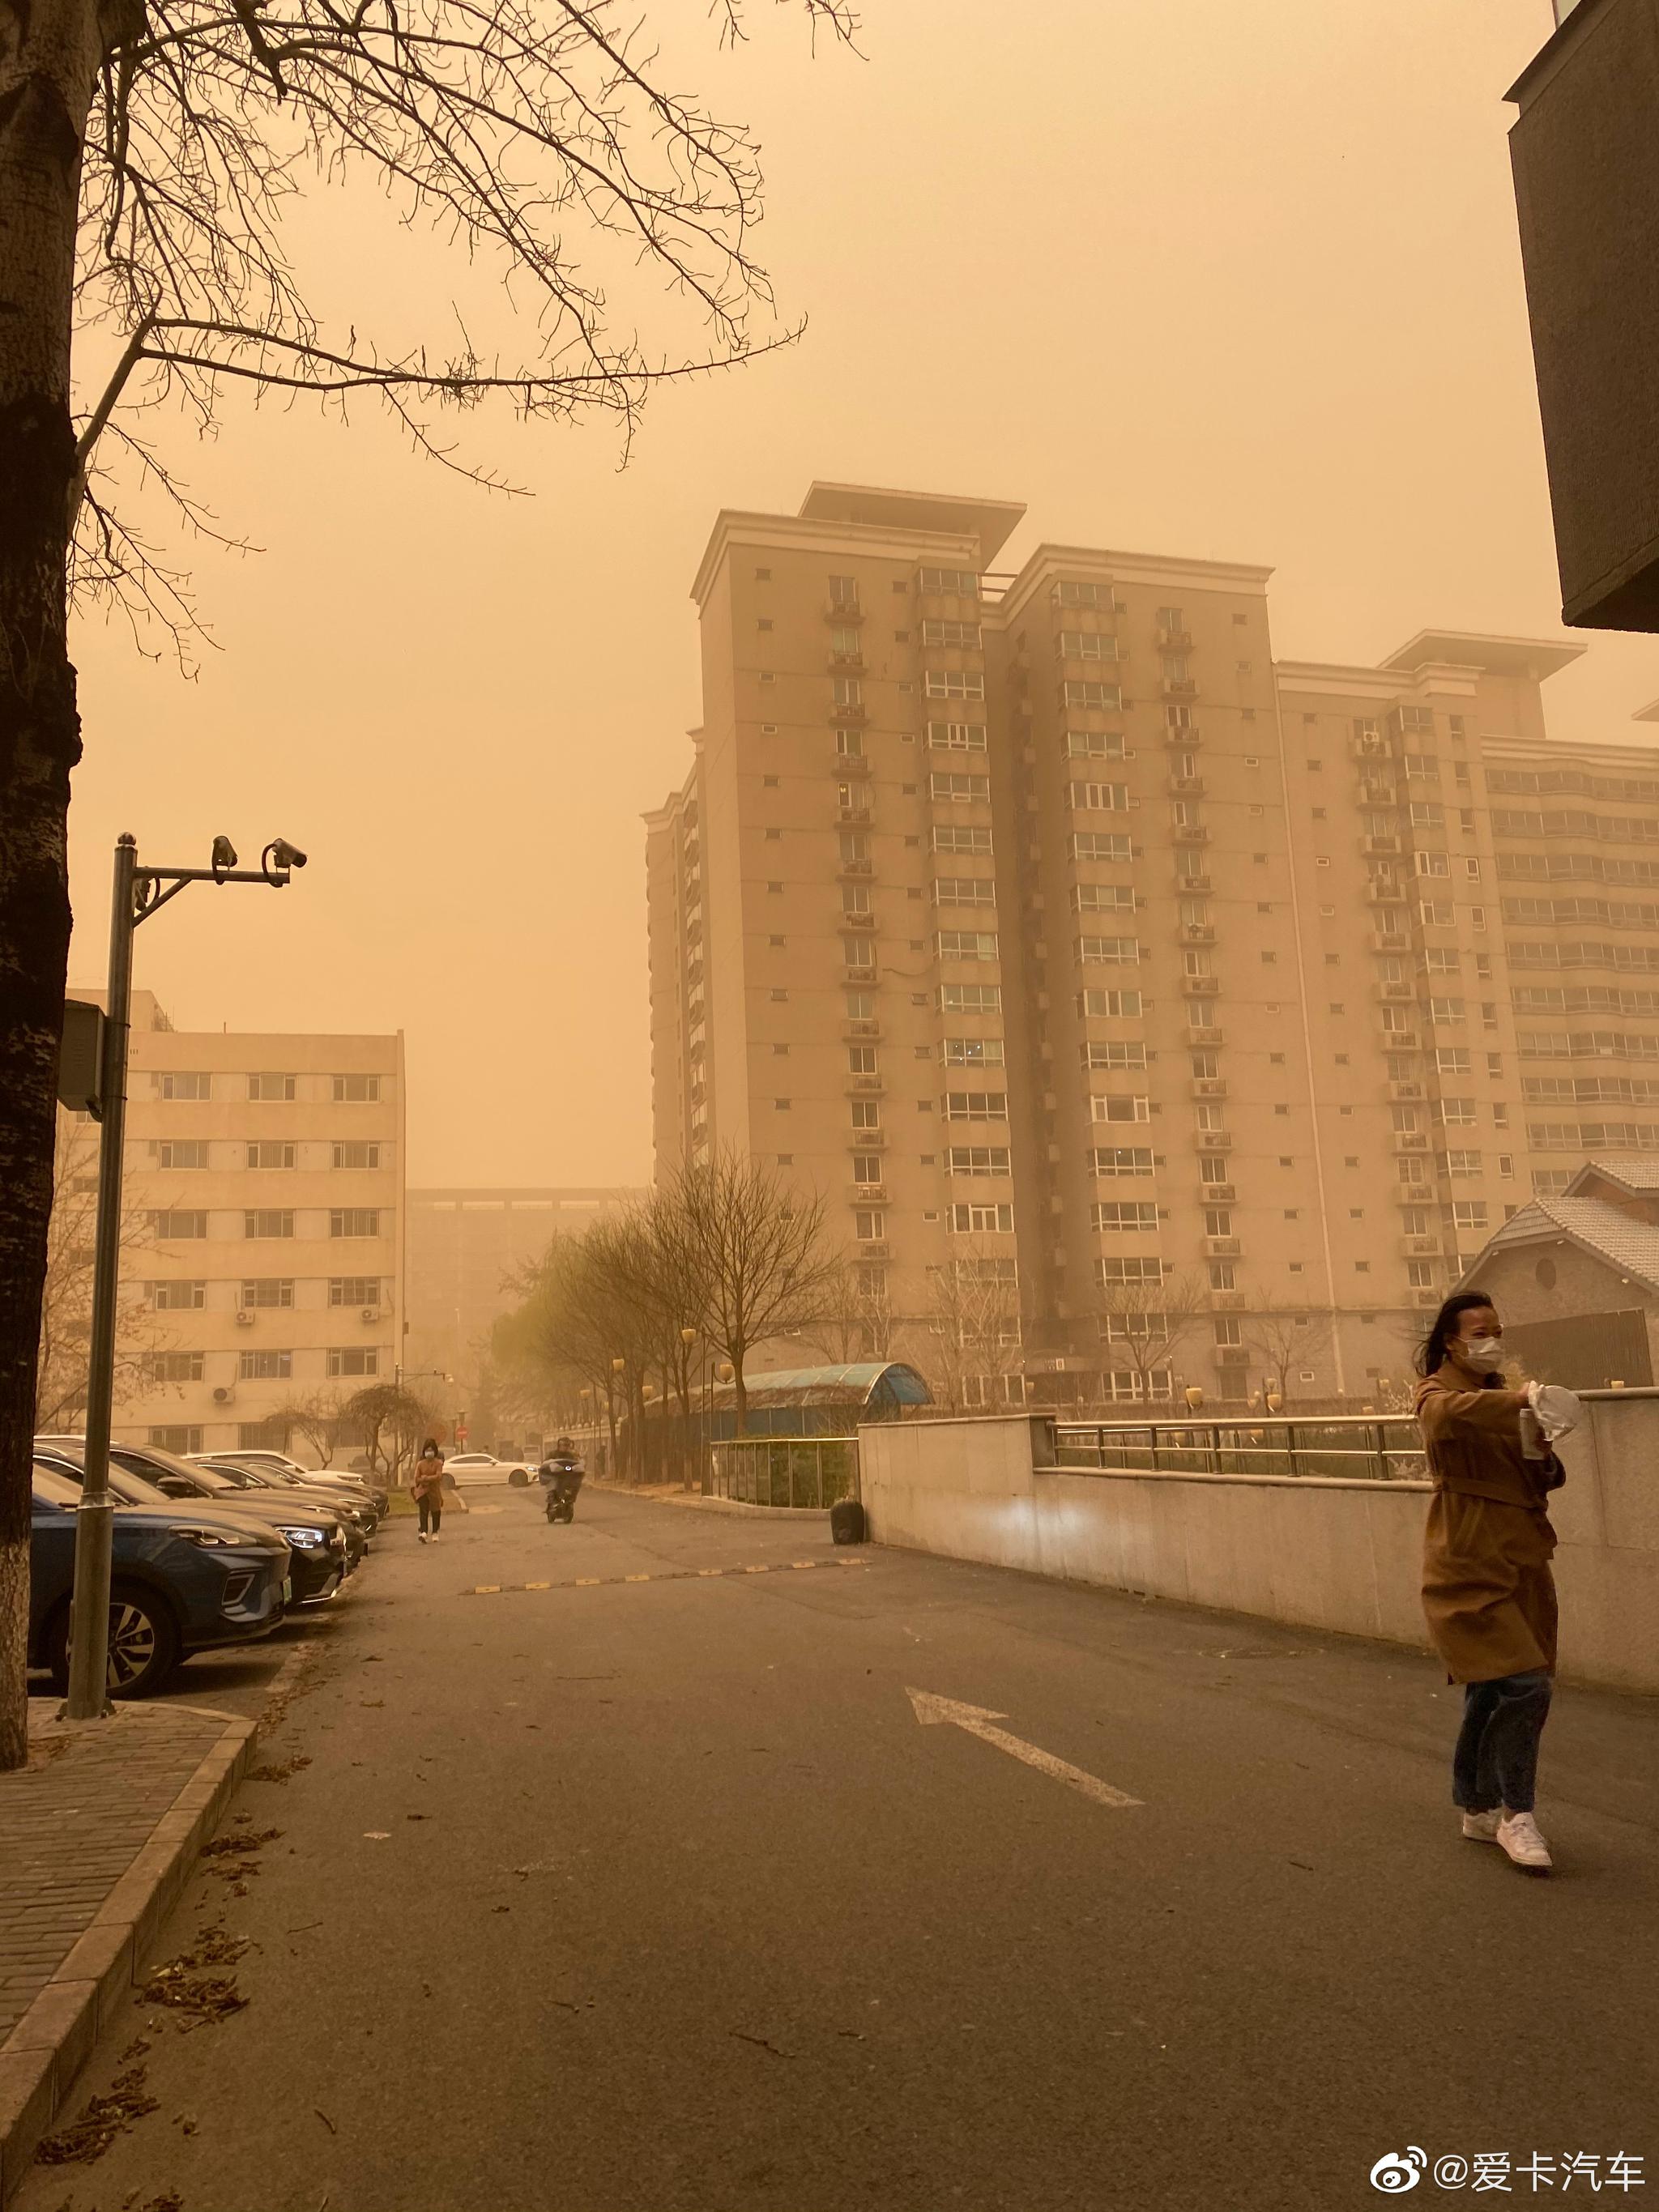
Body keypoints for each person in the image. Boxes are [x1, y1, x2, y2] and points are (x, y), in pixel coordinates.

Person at [1414, 1292, 1580, 1875]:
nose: (1491, 1338)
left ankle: (1477, 1804)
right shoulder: (1438, 1394)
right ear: (1451, 1341)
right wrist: (1521, 1400)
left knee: (1492, 1686)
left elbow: (1545, 1477)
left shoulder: (1504, 1398)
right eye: (1479, 1330)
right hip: (1466, 1562)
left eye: (1497, 1328)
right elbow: (1444, 1416)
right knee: (1527, 1683)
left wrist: (1543, 1446)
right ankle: (1518, 1813)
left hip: (1523, 1557)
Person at [412, 1438, 446, 1545]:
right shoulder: (420, 1464)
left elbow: (439, 1476)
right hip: (422, 1492)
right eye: (427, 1450)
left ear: (435, 1451)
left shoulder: (438, 1463)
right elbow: (416, 1478)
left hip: (434, 1491)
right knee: (423, 1512)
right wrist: (426, 1479)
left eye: (431, 1450)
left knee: (436, 1512)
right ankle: (424, 1532)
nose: (429, 1452)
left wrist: (426, 1478)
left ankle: (435, 1532)